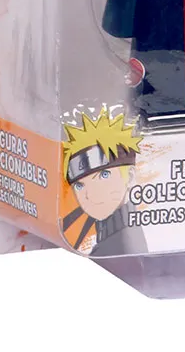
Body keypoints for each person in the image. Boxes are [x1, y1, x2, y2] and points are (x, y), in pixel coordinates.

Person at [60, 109, 147, 256]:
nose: (90, 195)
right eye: (79, 185)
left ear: (130, 176)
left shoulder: (120, 243)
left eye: (104, 175)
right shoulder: (116, 237)